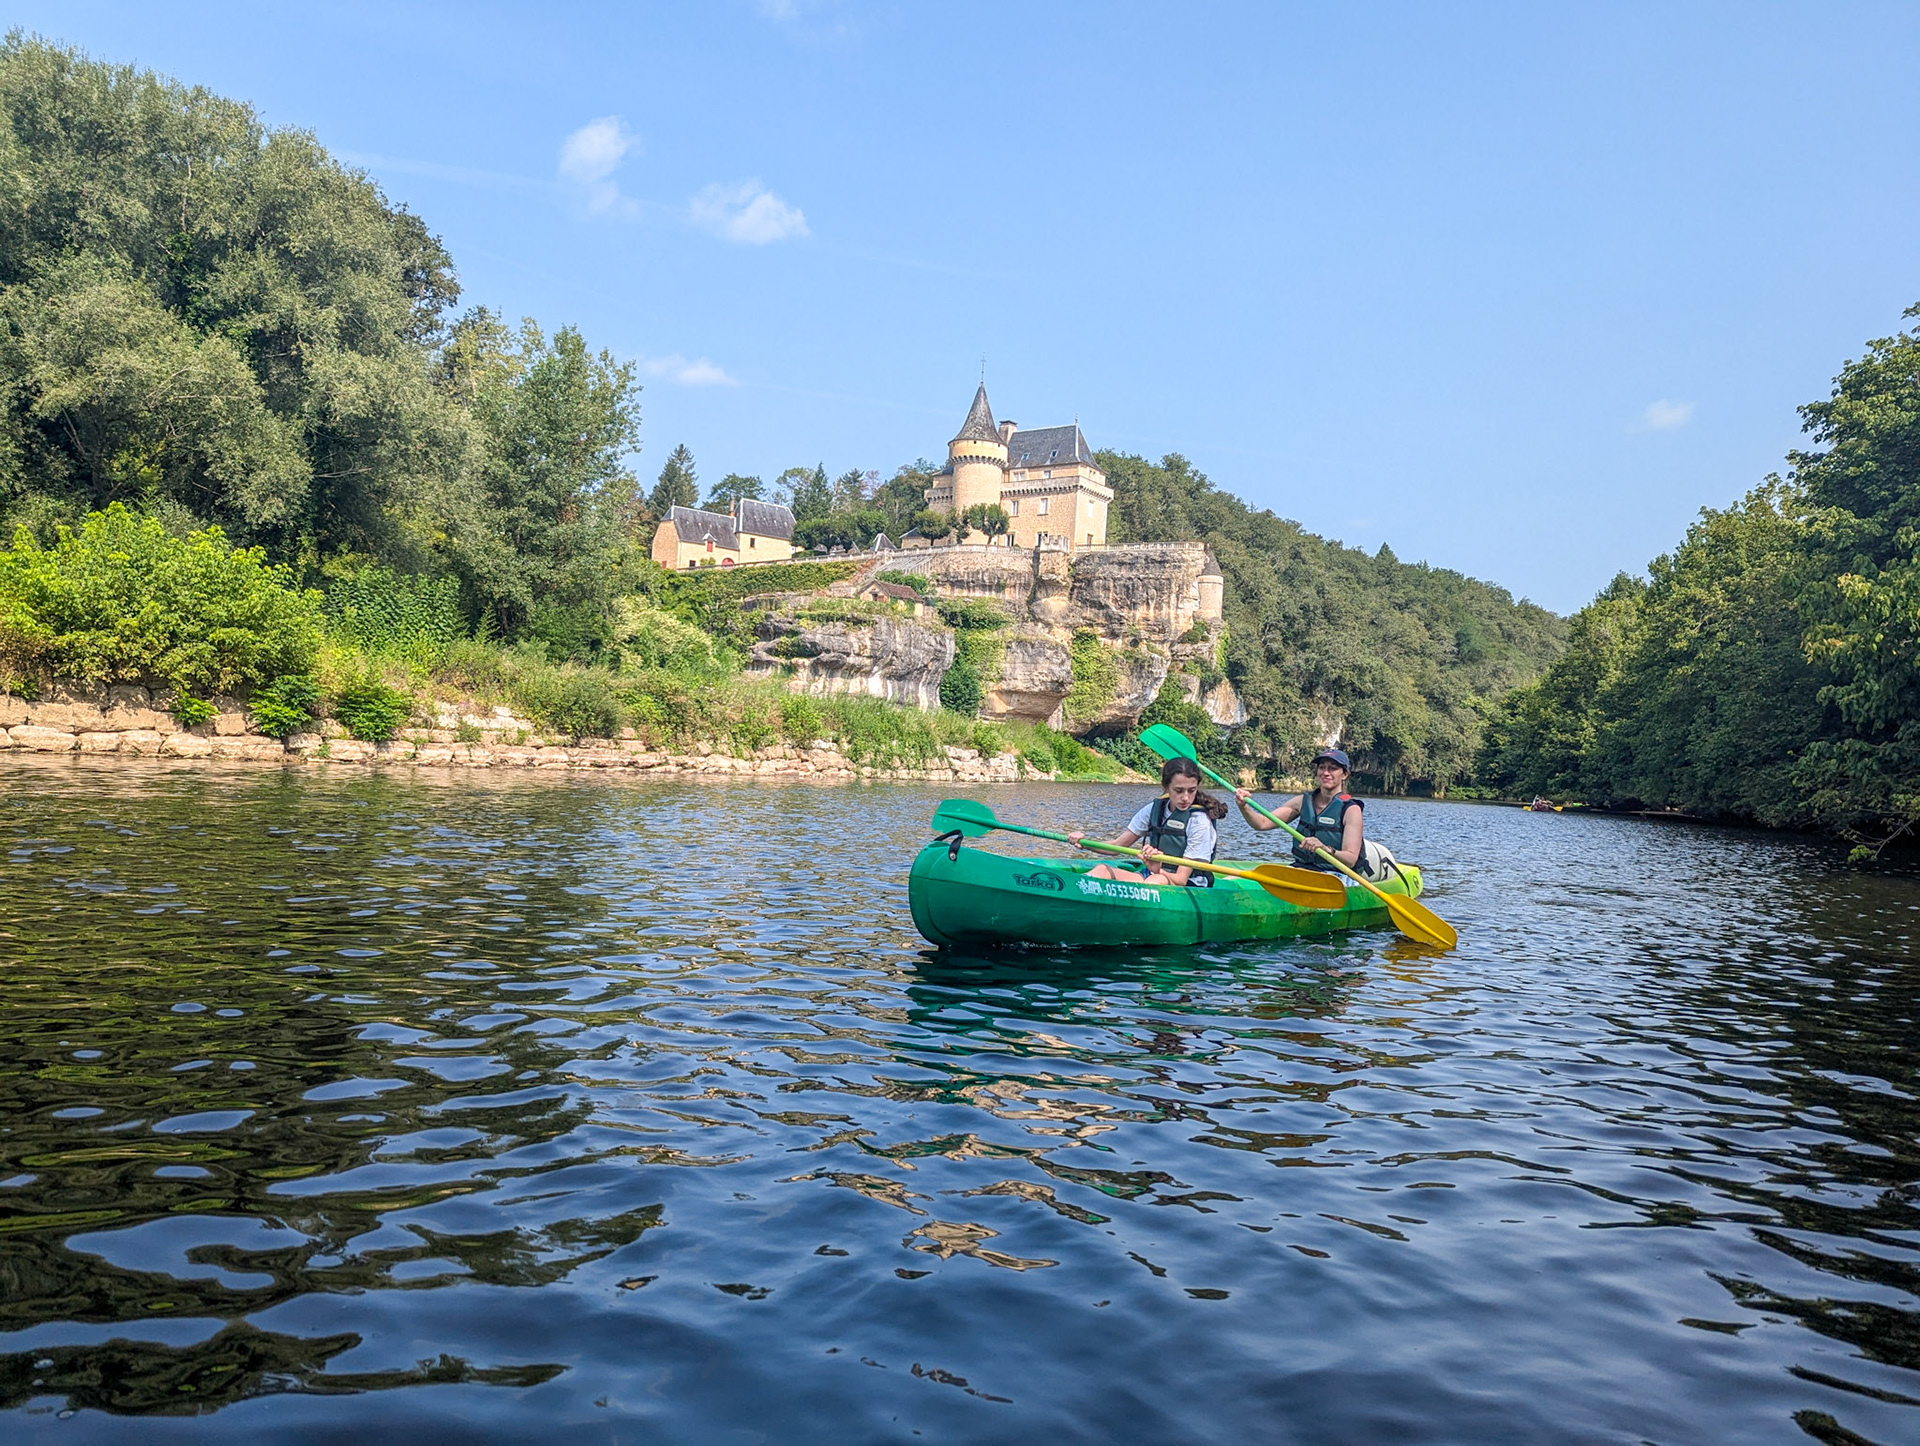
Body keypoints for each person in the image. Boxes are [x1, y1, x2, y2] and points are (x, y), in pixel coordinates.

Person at [1234, 747, 1398, 881]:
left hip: (1335, 875)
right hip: (1301, 869)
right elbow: (1262, 823)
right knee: (1235, 879)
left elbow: (1350, 859)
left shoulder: (1351, 810)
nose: (1326, 773)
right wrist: (1244, 807)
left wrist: (1325, 849)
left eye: (1333, 768)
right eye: (1322, 767)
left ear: (1345, 774)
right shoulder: (1301, 802)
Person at [1068, 757, 1229, 887]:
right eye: (1178, 791)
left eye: (1191, 790)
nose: (1185, 797)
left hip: (1189, 884)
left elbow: (1180, 880)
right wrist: (1084, 842)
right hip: (1153, 873)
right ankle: (1073, 892)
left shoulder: (1199, 821)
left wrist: (1158, 870)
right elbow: (1116, 846)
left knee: (1156, 880)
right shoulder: (1154, 810)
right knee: (1102, 870)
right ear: (1166, 787)